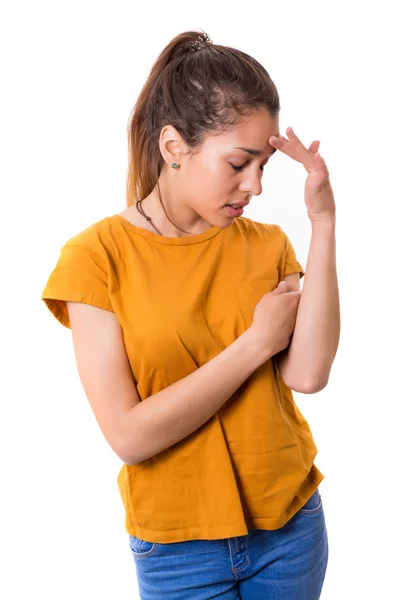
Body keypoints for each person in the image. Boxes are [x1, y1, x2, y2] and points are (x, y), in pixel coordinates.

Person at [41, 29, 340, 600]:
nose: (253, 186)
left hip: (291, 530)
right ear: (174, 146)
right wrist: (255, 344)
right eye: (238, 163)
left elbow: (308, 376)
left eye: (263, 168)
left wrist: (322, 223)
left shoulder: (267, 244)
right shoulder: (94, 258)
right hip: (177, 552)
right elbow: (129, 436)